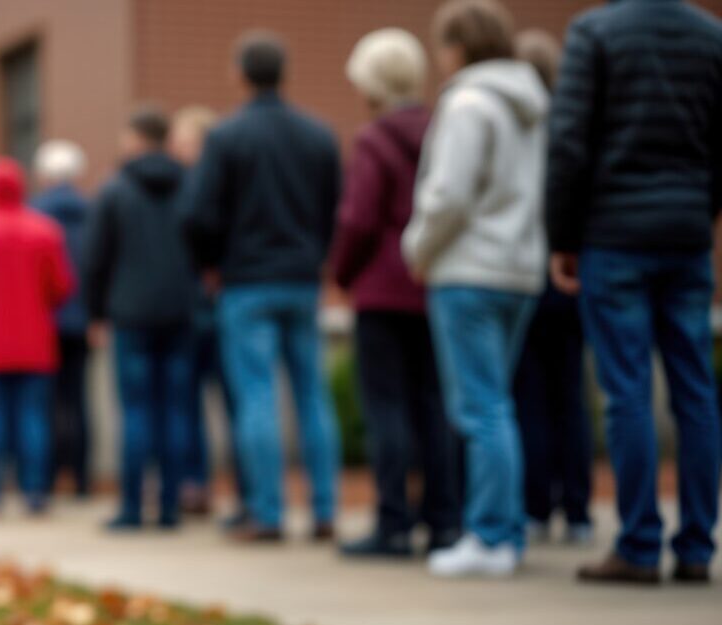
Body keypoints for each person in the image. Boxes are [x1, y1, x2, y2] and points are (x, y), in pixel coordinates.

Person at [546, 0, 722, 585]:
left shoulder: (595, 32)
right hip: (687, 236)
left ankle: (639, 545)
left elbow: (568, 142)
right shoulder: (710, 36)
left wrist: (563, 237)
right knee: (696, 391)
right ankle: (697, 546)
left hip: (614, 237)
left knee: (627, 392)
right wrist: (701, 212)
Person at [403, 0, 548, 578]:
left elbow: (449, 195)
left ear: (458, 47)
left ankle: (489, 536)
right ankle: (505, 531)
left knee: (480, 408)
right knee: (498, 404)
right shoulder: (531, 105)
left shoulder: (467, 102)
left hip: (468, 271)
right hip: (519, 270)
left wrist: (418, 247)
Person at [180, 32, 342, 543]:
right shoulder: (319, 135)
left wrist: (210, 264)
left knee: (256, 397)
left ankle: (267, 513)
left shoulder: (227, 138)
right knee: (313, 395)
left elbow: (197, 213)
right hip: (300, 280)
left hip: (246, 283)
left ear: (240, 74)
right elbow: (335, 209)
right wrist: (317, 259)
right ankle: (324, 510)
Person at [331, 28, 461, 558]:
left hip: (384, 292)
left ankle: (392, 524)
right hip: (434, 285)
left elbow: (359, 219)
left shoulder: (373, 139)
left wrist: (343, 273)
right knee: (434, 404)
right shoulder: (443, 129)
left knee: (386, 408)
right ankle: (444, 520)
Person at [86, 107, 199, 530]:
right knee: (174, 410)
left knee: (135, 411)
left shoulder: (114, 190)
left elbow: (95, 258)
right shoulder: (190, 184)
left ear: (134, 138)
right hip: (180, 311)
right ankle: (169, 507)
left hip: (130, 314)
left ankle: (133, 507)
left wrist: (96, 312)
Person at [0, 158, 75, 513]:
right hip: (35, 340)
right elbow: (62, 285)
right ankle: (35, 491)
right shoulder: (45, 230)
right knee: (33, 417)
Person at [511, 30, 593, 547]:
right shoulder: (578, 124)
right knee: (572, 396)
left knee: (529, 397)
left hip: (526, 271)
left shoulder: (514, 125)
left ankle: (537, 508)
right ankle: (580, 512)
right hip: (575, 272)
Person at [169, 105, 240, 519]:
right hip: (196, 309)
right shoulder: (187, 184)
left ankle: (230, 487)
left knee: (228, 401)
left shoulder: (210, 187)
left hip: (217, 306)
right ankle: (197, 486)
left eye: (184, 142)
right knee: (194, 404)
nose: (177, 149)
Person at [30, 140, 93, 498]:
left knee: (49, 402)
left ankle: (52, 475)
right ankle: (82, 478)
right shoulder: (93, 210)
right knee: (80, 400)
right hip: (83, 319)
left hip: (46, 321)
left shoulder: (35, 215)